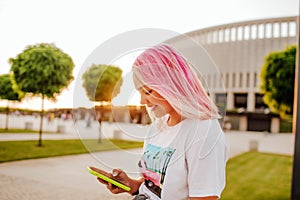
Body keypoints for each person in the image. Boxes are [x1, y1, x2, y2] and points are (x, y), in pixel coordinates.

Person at [91, 44, 229, 200]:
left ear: (172, 84)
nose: (143, 101)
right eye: (140, 93)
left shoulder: (204, 131)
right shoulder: (158, 127)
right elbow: (154, 186)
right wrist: (130, 185)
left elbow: (204, 198)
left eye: (148, 91)